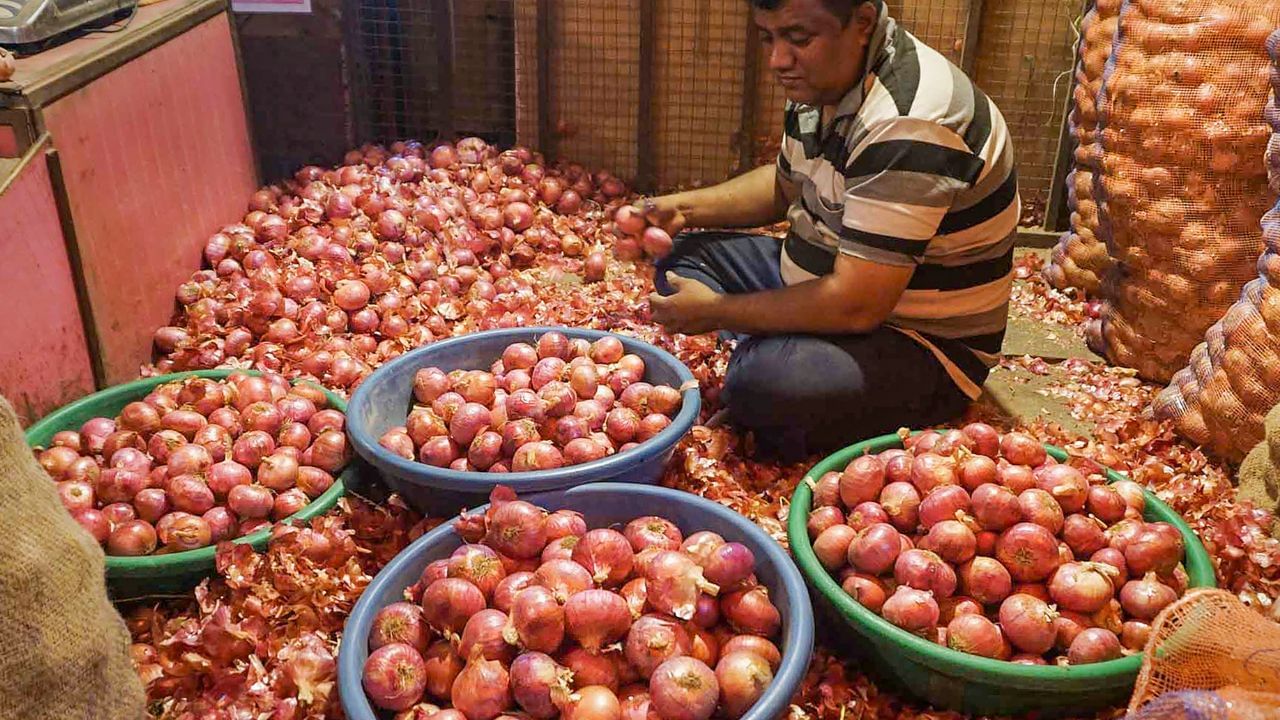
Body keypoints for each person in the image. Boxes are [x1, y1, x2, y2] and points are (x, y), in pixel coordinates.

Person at [640, 0, 1020, 459]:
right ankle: (774, 341)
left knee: (762, 388)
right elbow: (783, 184)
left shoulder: (908, 120)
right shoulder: (826, 82)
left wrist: (719, 311)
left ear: (861, 23)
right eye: (768, 37)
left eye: (798, 39)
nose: (778, 60)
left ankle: (774, 357)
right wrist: (681, 208)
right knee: (679, 257)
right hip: (825, 278)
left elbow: (858, 306)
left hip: (916, 341)